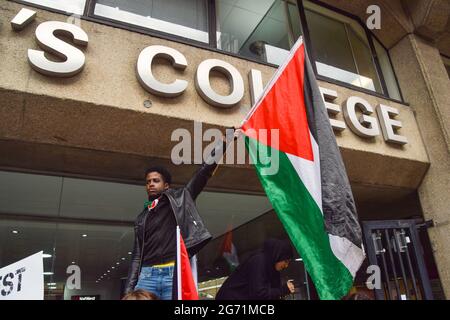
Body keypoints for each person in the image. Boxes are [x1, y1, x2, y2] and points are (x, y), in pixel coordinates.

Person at [124, 130, 237, 300]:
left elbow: (202, 173)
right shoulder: (142, 217)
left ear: (166, 185)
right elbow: (136, 256)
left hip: (173, 274)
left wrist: (224, 143)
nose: (151, 185)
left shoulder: (180, 199)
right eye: (148, 182)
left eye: (156, 181)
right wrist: (128, 290)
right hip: (147, 277)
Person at [215, 238, 295, 300]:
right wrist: (283, 290)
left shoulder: (271, 268)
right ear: (278, 255)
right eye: (285, 261)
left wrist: (282, 291)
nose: (286, 265)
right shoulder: (259, 261)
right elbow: (258, 293)